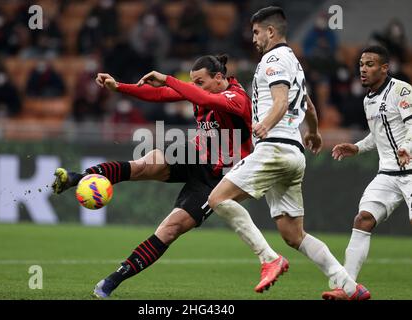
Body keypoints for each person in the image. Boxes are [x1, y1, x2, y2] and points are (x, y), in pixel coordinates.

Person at [51, 55, 253, 298]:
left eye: (199, 81)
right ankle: (76, 178)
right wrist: (119, 87)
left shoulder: (237, 98)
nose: (195, 86)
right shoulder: (203, 90)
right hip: (194, 154)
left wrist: (168, 79)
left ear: (219, 78)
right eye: (193, 82)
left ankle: (112, 281)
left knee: (170, 229)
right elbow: (160, 95)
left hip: (219, 176)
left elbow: (202, 97)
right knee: (144, 164)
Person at [206, 7, 371, 300]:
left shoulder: (273, 59)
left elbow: (281, 101)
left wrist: (265, 125)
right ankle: (349, 286)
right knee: (293, 235)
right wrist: (314, 132)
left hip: (274, 148)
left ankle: (268, 258)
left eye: (257, 32)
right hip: (293, 155)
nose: (253, 38)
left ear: (270, 32)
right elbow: (306, 103)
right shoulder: (294, 62)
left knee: (217, 199)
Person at [326, 46, 412, 298]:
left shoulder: (402, 90)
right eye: (362, 63)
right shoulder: (368, 100)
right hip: (387, 174)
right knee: (363, 219)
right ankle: (347, 288)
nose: (363, 68)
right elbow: (377, 137)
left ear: (385, 68)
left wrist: (407, 146)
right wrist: (356, 147)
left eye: (371, 64)